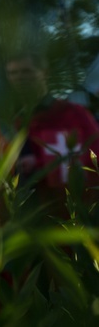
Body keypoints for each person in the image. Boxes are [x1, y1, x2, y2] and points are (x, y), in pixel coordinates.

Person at [5, 51, 99, 216]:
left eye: (26, 71)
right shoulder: (12, 124)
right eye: (13, 73)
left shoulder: (73, 114)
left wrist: (40, 162)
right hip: (33, 218)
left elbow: (95, 154)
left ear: (44, 72)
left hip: (75, 216)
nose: (19, 77)